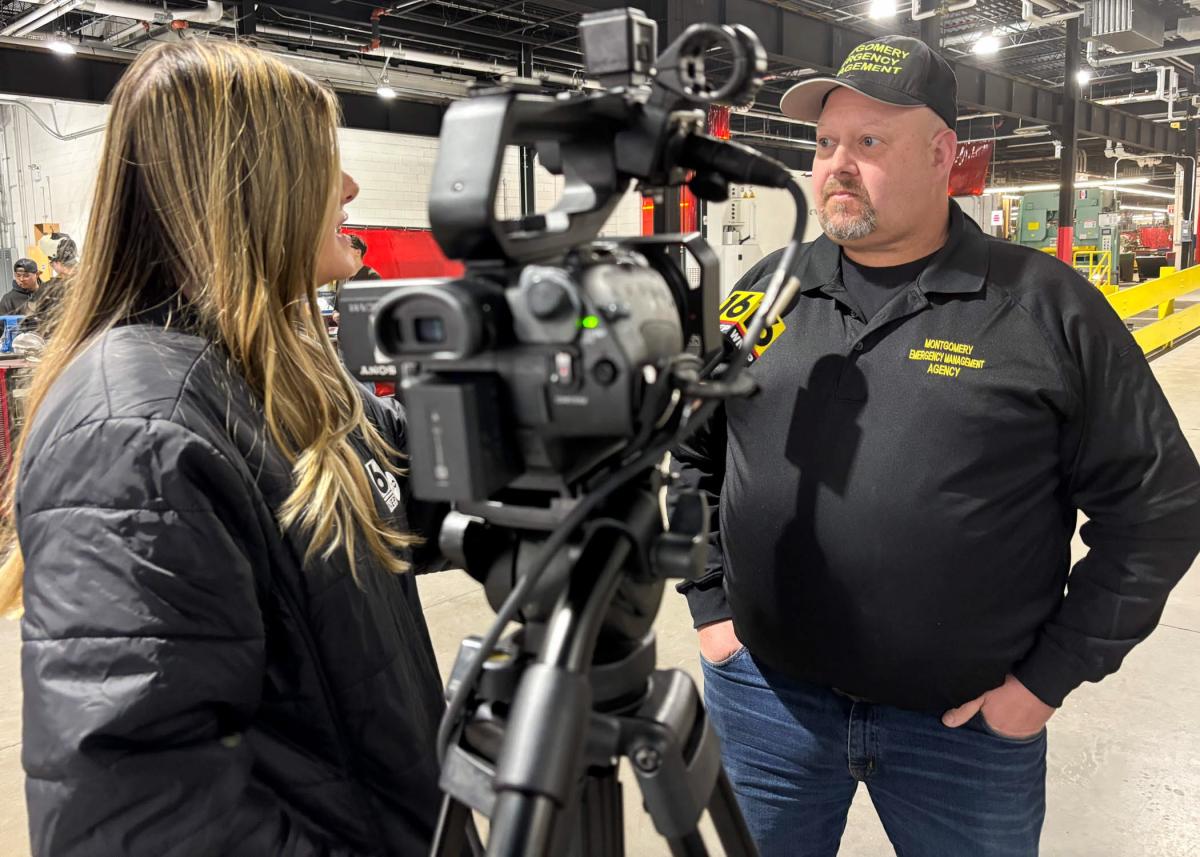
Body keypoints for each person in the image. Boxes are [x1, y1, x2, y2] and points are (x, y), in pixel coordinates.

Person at [674, 35, 1200, 857]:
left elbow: (1160, 507)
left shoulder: (1046, 308)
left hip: (962, 735)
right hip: (767, 704)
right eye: (825, 143)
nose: (837, 165)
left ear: (942, 154)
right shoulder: (766, 290)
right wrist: (711, 606)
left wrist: (1043, 683)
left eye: (869, 143)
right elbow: (690, 446)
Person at [0, 41, 452, 857]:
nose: (349, 188)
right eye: (327, 162)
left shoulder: (270, 370)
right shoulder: (136, 432)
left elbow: (410, 481)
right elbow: (141, 822)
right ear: (249, 187)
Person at [21, 233, 79, 333]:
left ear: (57, 263)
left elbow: (27, 322)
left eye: (50, 262)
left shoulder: (48, 289)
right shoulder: (94, 279)